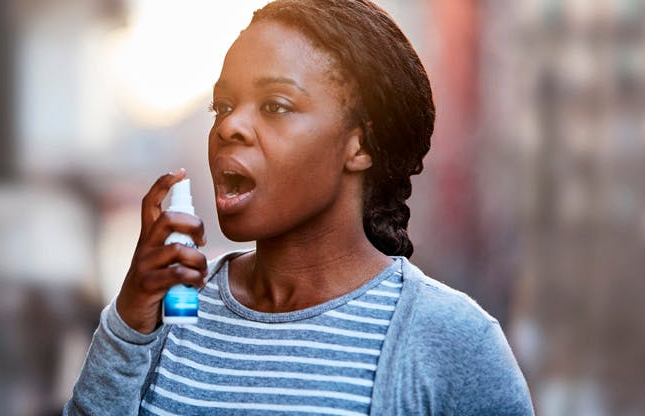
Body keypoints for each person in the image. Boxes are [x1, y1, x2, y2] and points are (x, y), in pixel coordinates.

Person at [65, 0, 534, 414]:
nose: (231, 127)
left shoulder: (452, 341)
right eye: (223, 105)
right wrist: (126, 325)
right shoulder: (169, 311)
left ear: (359, 145)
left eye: (276, 106)